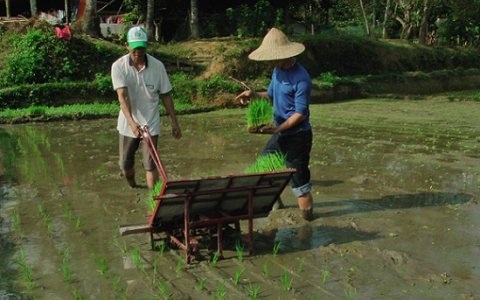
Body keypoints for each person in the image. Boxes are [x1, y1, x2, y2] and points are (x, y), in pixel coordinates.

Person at [236, 27, 314, 221]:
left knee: (299, 182)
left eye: (273, 58)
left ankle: (308, 222)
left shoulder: (301, 78)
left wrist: (278, 128)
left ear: (285, 55)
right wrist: (253, 95)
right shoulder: (277, 71)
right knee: (265, 167)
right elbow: (270, 96)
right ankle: (277, 206)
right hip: (281, 133)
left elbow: (300, 114)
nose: (270, 62)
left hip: (298, 136)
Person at [111, 26, 182, 189]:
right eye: (135, 48)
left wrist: (174, 122)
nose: (138, 52)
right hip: (128, 123)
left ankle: (153, 200)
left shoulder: (158, 67)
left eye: (142, 47)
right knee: (125, 165)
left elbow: (166, 95)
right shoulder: (118, 67)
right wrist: (132, 123)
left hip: (151, 121)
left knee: (150, 164)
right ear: (127, 46)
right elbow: (122, 97)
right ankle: (134, 186)